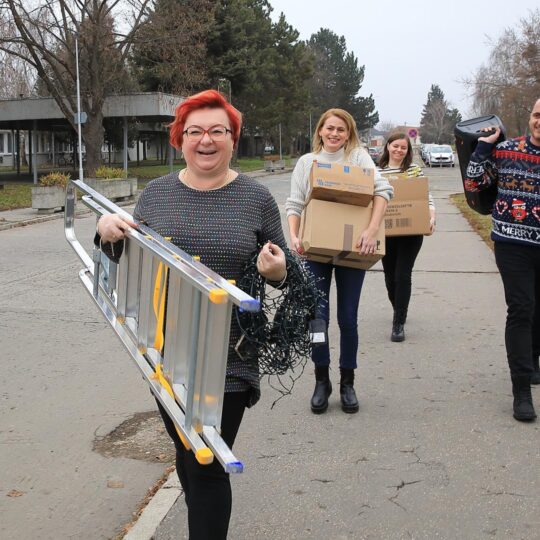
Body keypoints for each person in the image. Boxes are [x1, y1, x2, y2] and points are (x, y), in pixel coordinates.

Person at [96, 89, 287, 538]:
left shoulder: (256, 199)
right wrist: (106, 231)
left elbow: (287, 271)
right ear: (179, 139)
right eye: (195, 131)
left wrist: (278, 271)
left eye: (217, 131)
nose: (206, 140)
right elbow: (127, 256)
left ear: (232, 139)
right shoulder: (157, 195)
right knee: (189, 457)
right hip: (165, 355)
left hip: (230, 359)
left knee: (206, 465)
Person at [286, 108, 393, 414]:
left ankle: (348, 382)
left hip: (353, 248)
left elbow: (383, 191)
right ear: (320, 130)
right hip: (314, 250)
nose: (334, 134)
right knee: (317, 317)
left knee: (347, 318)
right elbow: (294, 204)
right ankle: (322, 380)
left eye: (341, 130)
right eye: (329, 128)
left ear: (349, 134)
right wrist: (294, 236)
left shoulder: (357, 158)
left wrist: (371, 231)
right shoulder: (307, 163)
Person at [465, 98, 540, 422]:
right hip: (513, 243)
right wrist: (483, 148)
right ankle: (521, 389)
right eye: (538, 114)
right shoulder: (507, 150)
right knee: (521, 308)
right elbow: (473, 182)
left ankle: (532, 359)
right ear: (531, 117)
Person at [377, 132, 436, 342]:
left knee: (403, 275)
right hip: (385, 231)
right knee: (390, 275)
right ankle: (398, 305)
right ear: (388, 147)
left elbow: (425, 196)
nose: (399, 150)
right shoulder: (376, 171)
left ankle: (398, 322)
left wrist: (431, 217)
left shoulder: (414, 170)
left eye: (403, 147)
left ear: (408, 151)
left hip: (411, 232)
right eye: (395, 146)